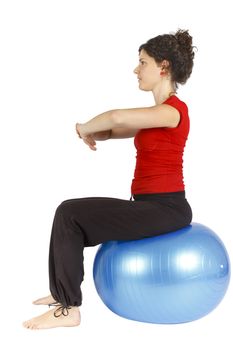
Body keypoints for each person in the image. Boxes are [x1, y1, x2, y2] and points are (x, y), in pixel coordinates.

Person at [23, 28, 195, 329]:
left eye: (142, 62)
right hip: (147, 207)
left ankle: (68, 308)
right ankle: (60, 293)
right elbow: (113, 130)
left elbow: (116, 117)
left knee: (69, 213)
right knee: (69, 214)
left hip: (166, 209)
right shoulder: (154, 116)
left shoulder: (174, 112)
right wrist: (91, 132)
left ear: (163, 67)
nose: (135, 69)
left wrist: (86, 126)